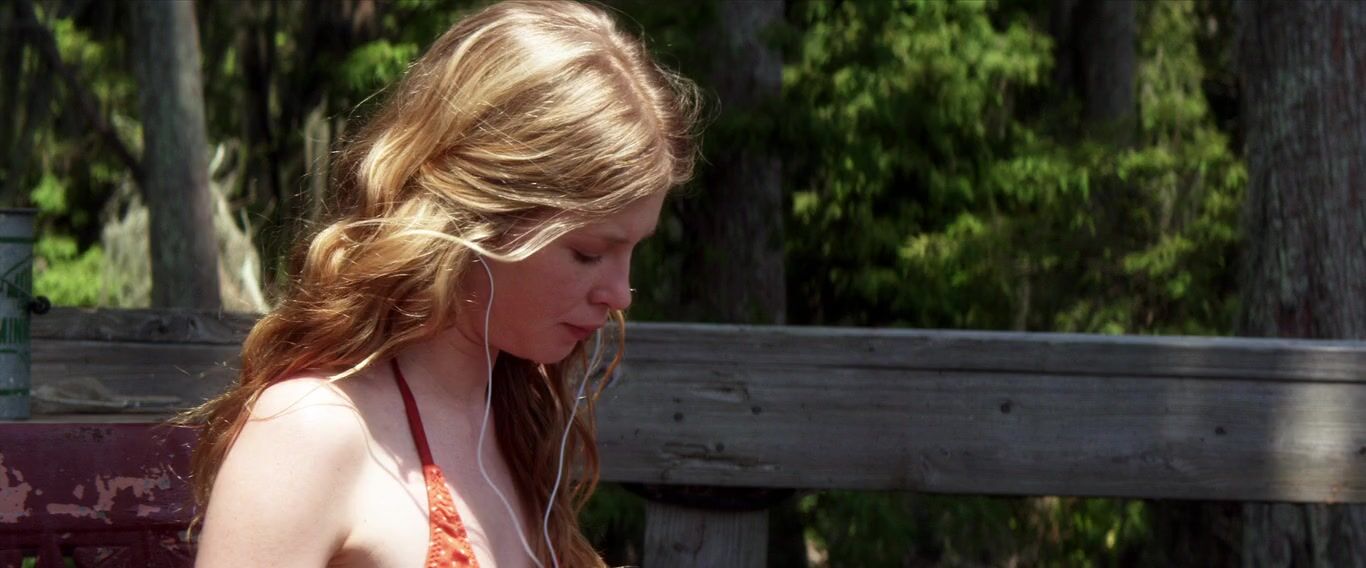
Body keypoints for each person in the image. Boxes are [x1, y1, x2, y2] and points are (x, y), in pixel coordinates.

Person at [183, 1, 699, 566]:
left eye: (633, 251)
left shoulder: (512, 420)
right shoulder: (313, 431)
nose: (620, 294)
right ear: (477, 213)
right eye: (588, 253)